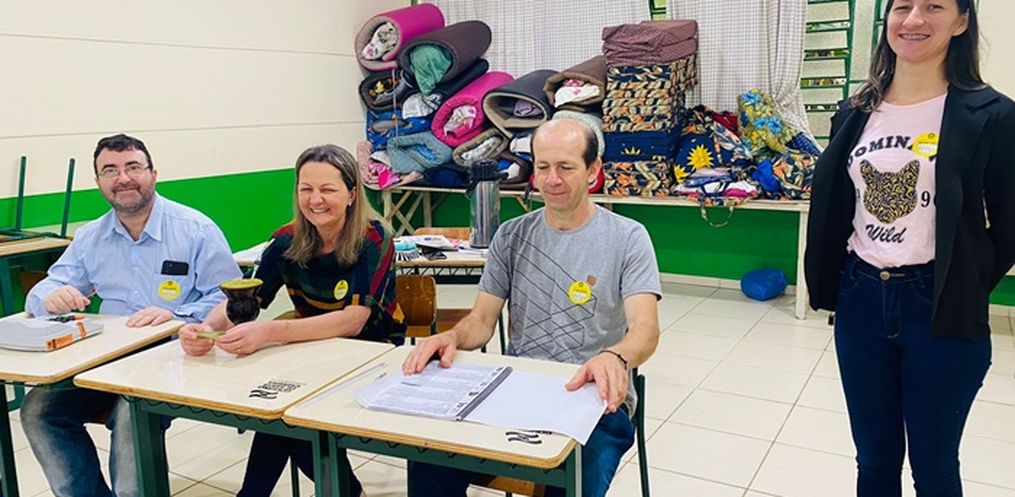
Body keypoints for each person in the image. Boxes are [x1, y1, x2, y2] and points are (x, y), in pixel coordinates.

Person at [804, 1, 1014, 495]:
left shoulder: (993, 115)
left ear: (961, 21)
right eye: (902, 6)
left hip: (939, 307)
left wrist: (965, 280)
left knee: (934, 466)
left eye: (934, 6)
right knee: (874, 461)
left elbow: (1010, 223)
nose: (914, 19)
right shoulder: (854, 112)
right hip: (861, 299)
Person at [402, 119, 661, 497]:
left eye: (566, 167)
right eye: (543, 167)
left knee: (574, 480)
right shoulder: (512, 235)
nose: (552, 179)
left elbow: (645, 329)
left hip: (596, 399)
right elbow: (482, 321)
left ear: (593, 171)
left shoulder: (628, 238)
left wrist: (615, 356)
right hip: (519, 388)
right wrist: (452, 336)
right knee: (428, 456)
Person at [21, 134, 242, 497]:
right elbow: (43, 292)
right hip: (104, 359)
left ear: (153, 173)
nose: (123, 178)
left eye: (133, 167)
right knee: (38, 411)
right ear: (98, 182)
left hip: (173, 356)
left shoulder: (195, 229)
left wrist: (176, 314)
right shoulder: (90, 237)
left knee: (130, 418)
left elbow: (230, 298)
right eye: (110, 170)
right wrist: (51, 297)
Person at [178, 144, 405, 497]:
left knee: (293, 419)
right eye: (306, 189)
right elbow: (245, 298)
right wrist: (206, 329)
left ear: (352, 194)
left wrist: (272, 331)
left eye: (327, 189)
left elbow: (354, 321)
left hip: (375, 353)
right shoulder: (286, 239)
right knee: (281, 414)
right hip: (313, 351)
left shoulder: (374, 238)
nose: (315, 200)